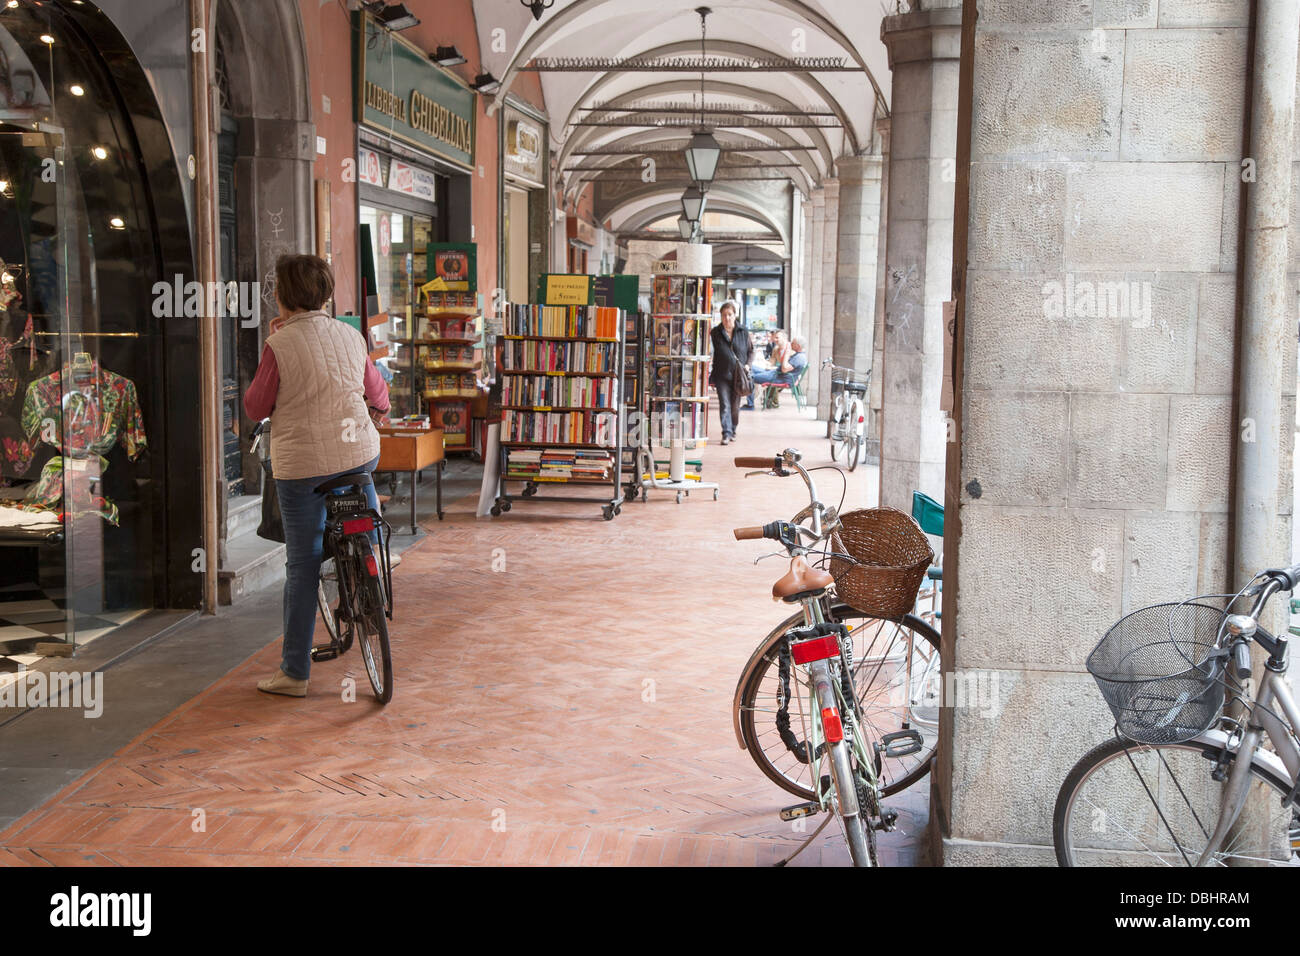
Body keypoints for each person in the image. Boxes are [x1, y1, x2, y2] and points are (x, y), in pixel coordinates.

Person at [243, 254, 390, 698]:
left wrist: (278, 340)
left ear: (282, 297)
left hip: (303, 468)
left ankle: (294, 674)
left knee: (303, 563)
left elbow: (255, 406)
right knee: (365, 495)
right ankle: (376, 548)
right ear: (327, 295)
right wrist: (378, 412)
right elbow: (377, 393)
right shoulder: (351, 336)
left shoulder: (279, 345)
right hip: (358, 451)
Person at [708, 300, 751, 445]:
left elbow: (751, 351)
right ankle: (726, 433)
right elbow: (712, 353)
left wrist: (748, 365)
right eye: (724, 315)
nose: (727, 318)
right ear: (720, 316)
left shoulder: (743, 331)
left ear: (735, 315)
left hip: (738, 375)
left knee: (734, 406)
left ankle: (733, 429)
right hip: (721, 375)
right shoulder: (715, 332)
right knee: (725, 404)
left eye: (730, 314)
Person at [752, 333, 807, 408]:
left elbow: (784, 369)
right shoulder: (797, 355)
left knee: (750, 377)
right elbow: (773, 362)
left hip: (779, 378)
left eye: (793, 343)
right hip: (775, 373)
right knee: (751, 368)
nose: (791, 344)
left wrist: (787, 354)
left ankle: (750, 404)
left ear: (798, 346)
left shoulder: (799, 358)